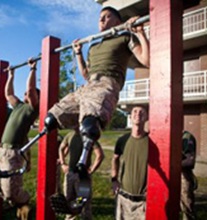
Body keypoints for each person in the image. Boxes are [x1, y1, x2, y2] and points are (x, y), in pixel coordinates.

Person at [42, 6, 150, 179]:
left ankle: (82, 166)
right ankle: (22, 152)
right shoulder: (93, 46)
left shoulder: (125, 37)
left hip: (107, 83)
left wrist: (140, 33)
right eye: (100, 17)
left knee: (89, 125)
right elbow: (86, 75)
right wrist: (78, 53)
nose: (101, 20)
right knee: (51, 119)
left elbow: (147, 60)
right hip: (89, 86)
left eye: (107, 17)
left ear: (117, 22)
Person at [0, 58, 40, 220]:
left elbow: (31, 89)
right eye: (24, 93)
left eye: (28, 94)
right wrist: (11, 75)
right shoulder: (18, 105)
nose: (25, 93)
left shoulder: (32, 109)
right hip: (2, 150)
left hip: (13, 153)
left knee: (11, 191)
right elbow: (8, 94)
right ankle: (16, 203)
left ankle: (25, 204)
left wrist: (32, 69)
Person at [111, 105, 148, 220]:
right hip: (124, 198)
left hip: (144, 201)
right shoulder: (122, 140)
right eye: (135, 112)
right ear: (130, 117)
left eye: (142, 112)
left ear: (146, 117)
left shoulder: (152, 142)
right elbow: (115, 159)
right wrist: (114, 179)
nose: (138, 114)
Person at [58, 127, 104, 220]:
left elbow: (100, 155)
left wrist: (91, 169)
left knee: (84, 203)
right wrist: (63, 163)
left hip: (83, 176)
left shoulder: (89, 135)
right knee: (69, 201)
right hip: (70, 173)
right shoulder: (70, 135)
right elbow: (61, 148)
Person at [180, 130, 197, 220]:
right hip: (170, 174)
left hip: (183, 175)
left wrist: (172, 163)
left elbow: (189, 161)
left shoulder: (186, 137)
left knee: (186, 206)